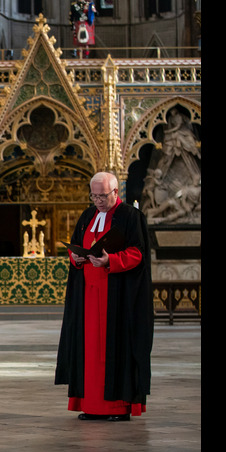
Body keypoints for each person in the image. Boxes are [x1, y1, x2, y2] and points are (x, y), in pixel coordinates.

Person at [56, 172, 153, 421]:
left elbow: (138, 253)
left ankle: (118, 407)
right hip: (88, 297)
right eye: (94, 195)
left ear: (115, 192)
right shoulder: (88, 215)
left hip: (117, 298)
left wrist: (112, 260)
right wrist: (75, 258)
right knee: (88, 351)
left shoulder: (131, 217)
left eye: (102, 195)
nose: (98, 200)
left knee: (114, 349)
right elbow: (78, 243)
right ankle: (91, 405)